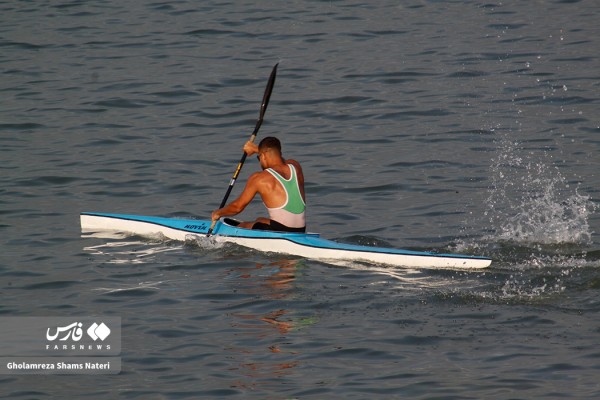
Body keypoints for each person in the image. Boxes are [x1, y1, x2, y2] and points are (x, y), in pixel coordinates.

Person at [211, 137, 306, 232]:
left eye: (259, 158)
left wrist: (218, 213)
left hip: (280, 231)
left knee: (244, 226)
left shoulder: (259, 178)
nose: (259, 161)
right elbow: (280, 161)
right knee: (260, 220)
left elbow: (237, 207)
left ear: (263, 156)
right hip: (300, 230)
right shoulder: (295, 166)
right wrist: (257, 150)